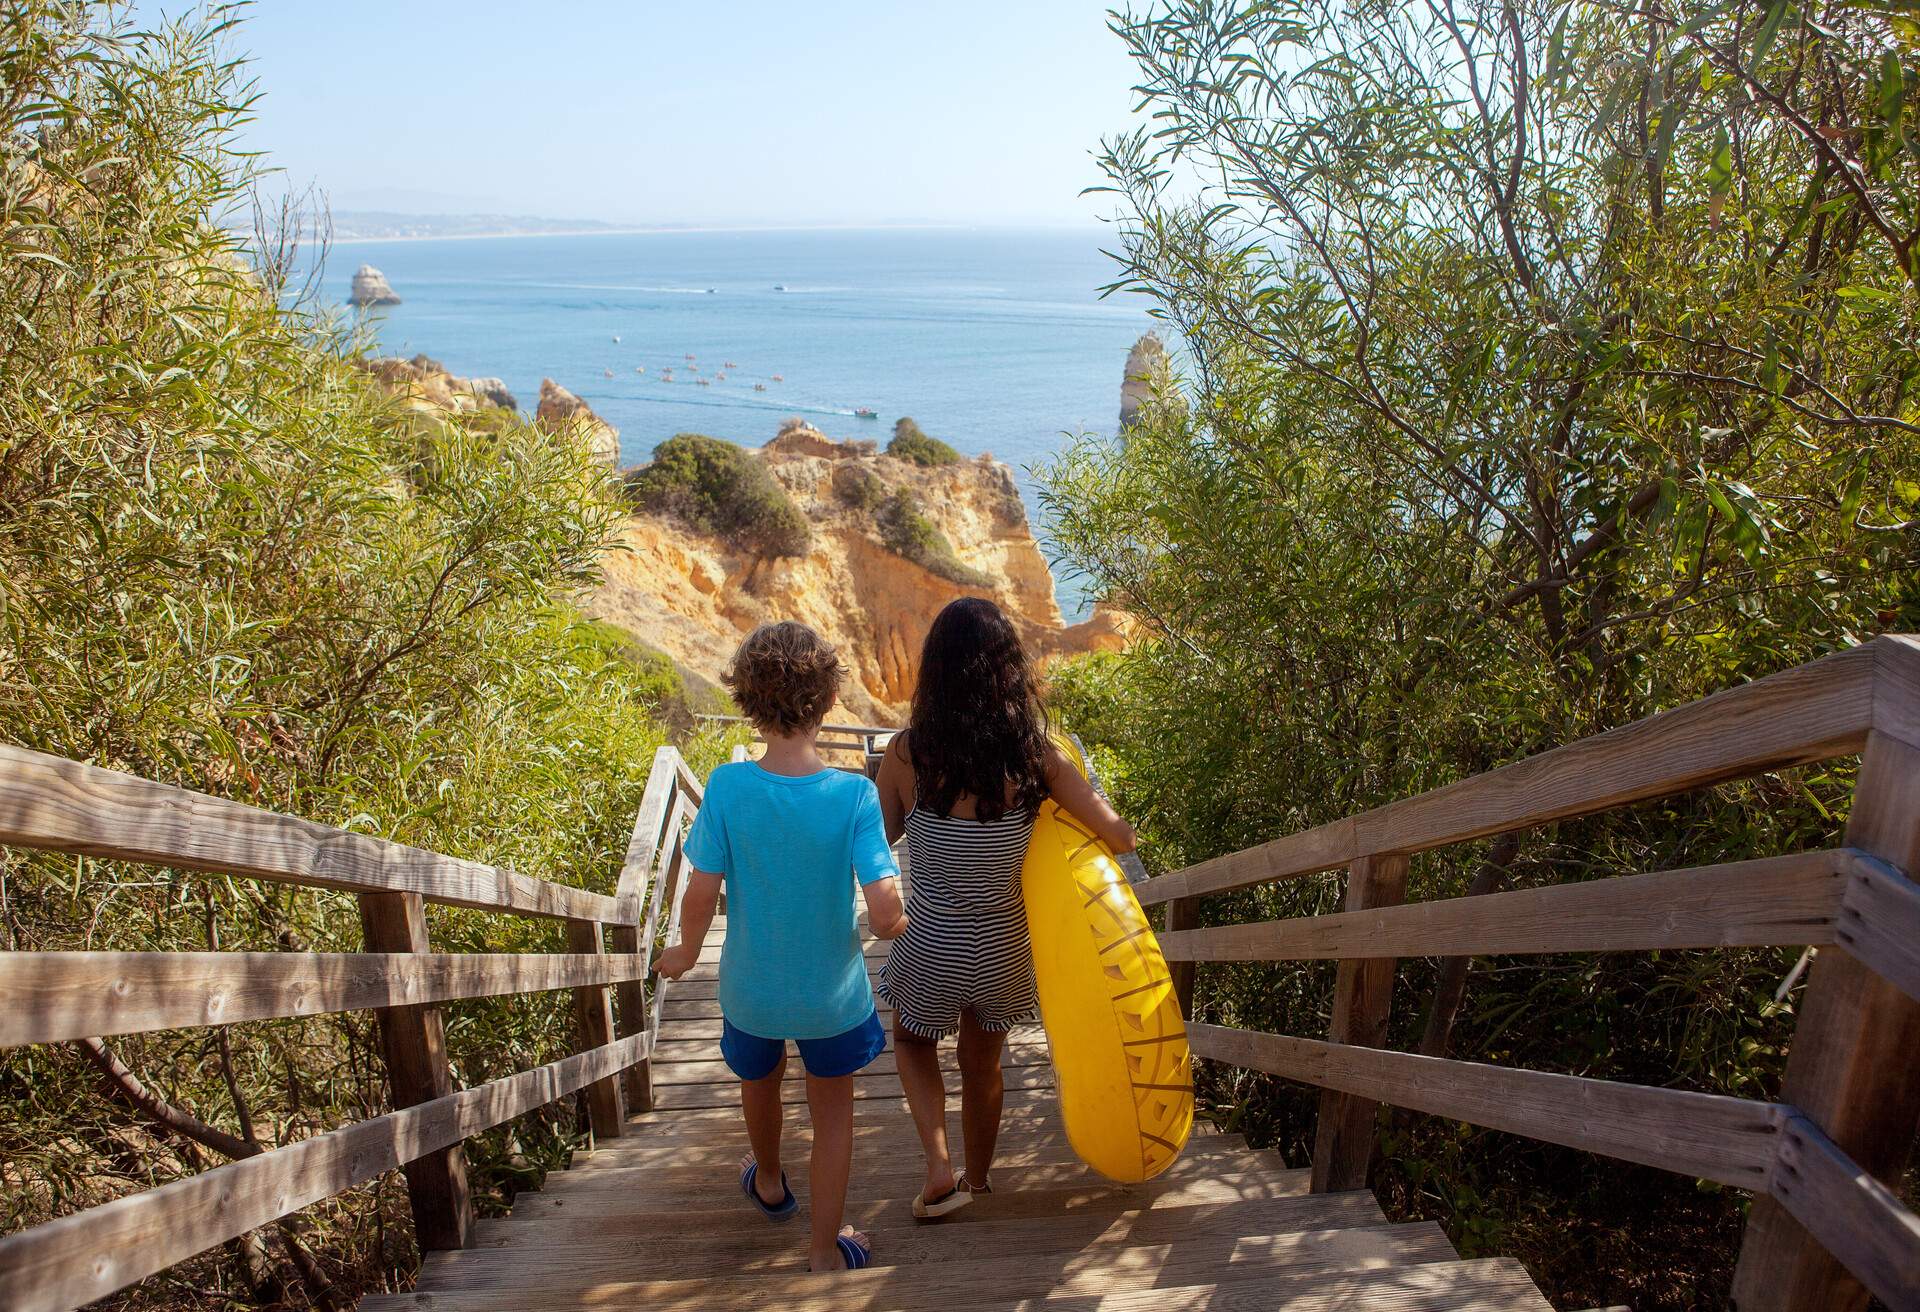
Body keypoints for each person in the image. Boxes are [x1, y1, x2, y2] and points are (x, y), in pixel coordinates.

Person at [655, 621, 908, 1272]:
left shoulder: (730, 787)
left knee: (759, 1083)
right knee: (833, 1117)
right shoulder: (853, 794)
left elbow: (699, 892)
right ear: (826, 702)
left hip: (751, 992)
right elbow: (884, 904)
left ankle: (768, 1180)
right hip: (832, 999)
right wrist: (893, 920)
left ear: (748, 699)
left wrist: (685, 951)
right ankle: (825, 1252)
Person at [874, 597, 1135, 1219]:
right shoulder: (1036, 756)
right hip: (1004, 948)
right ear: (1007, 670)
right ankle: (980, 1180)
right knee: (983, 1061)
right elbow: (1119, 837)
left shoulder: (907, 754)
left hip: (931, 937)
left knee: (911, 1042)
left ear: (935, 670)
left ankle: (939, 1165)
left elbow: (876, 843)